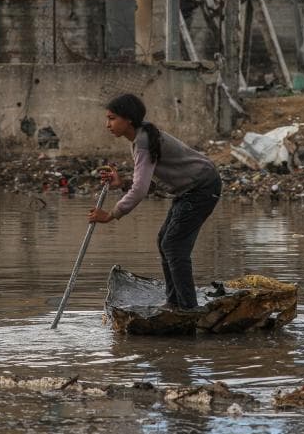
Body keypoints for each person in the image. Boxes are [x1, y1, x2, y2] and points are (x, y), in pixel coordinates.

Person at [87, 93, 222, 311]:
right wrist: (122, 184)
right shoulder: (141, 138)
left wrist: (111, 214)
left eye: (111, 118)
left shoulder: (143, 139)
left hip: (202, 187)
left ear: (128, 119)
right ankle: (175, 302)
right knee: (164, 241)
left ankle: (187, 308)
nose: (107, 125)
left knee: (173, 245)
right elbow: (147, 184)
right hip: (191, 189)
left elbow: (140, 190)